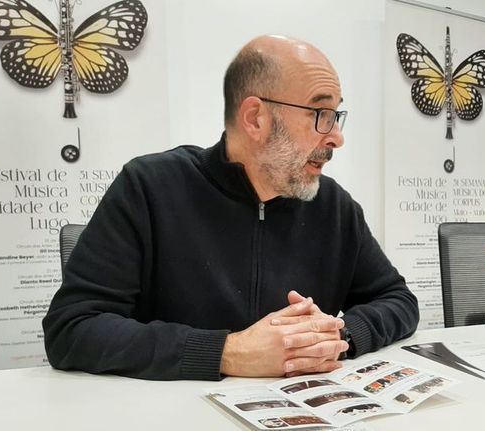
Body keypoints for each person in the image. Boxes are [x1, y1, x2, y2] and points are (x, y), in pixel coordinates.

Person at [42, 35, 419, 380]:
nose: (336, 137)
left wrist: (336, 337)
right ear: (256, 118)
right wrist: (227, 352)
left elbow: (399, 301)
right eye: (320, 114)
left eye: (337, 116)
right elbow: (72, 328)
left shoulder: (334, 208)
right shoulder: (150, 187)